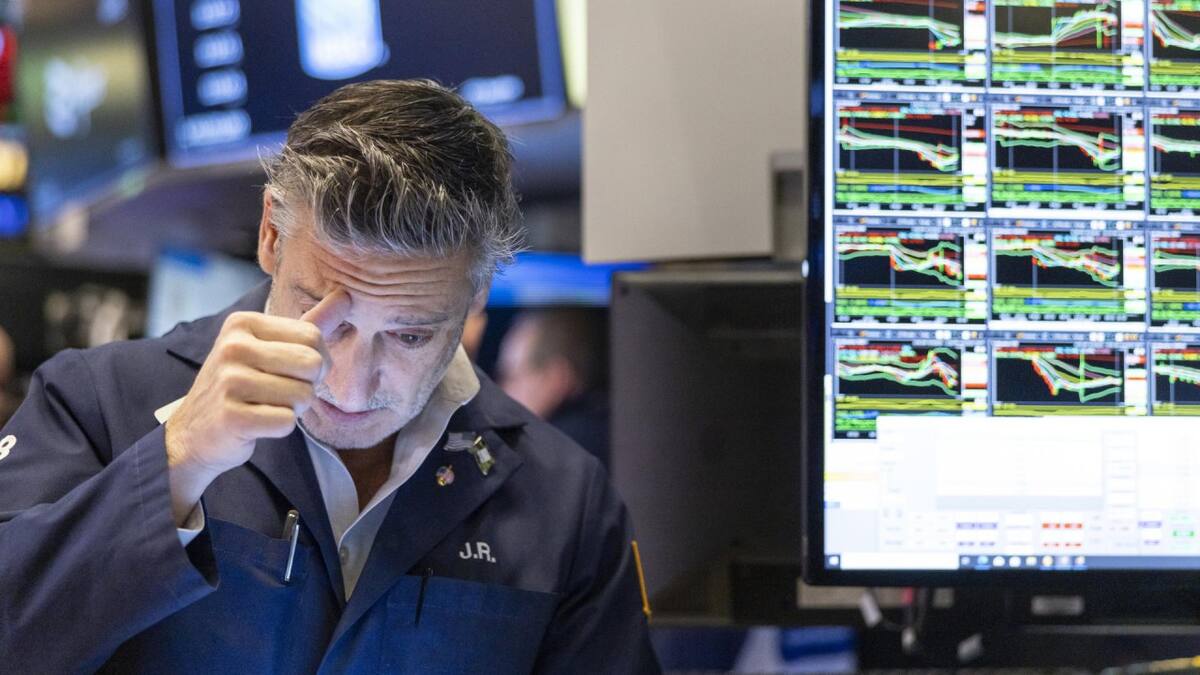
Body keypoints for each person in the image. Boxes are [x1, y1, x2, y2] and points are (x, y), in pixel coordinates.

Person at [0, 80, 660, 674]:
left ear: (479, 292)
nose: (347, 385)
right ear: (270, 236)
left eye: (408, 335)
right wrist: (170, 467)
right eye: (325, 316)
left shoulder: (565, 500)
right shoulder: (96, 405)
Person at [498, 308, 611, 465]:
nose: (502, 390)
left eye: (511, 376)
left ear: (556, 377)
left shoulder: (556, 455)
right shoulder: (611, 431)